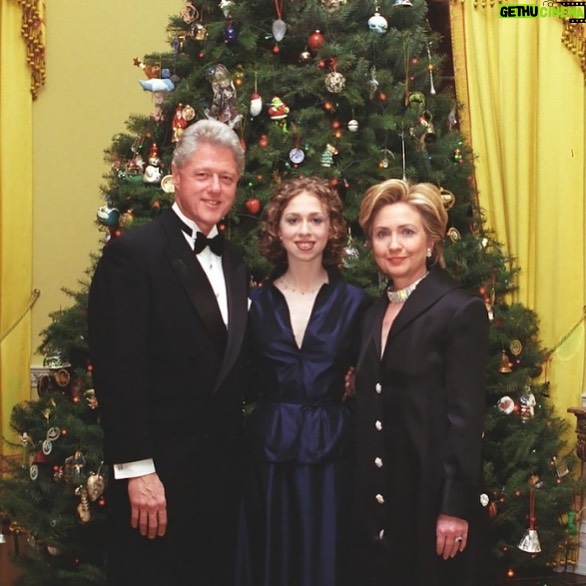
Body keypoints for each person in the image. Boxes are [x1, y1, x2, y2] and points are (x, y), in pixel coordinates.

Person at [88, 119, 249, 586]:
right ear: (176, 176)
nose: (215, 188)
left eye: (227, 178)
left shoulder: (235, 262)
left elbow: (233, 361)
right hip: (157, 480)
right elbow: (118, 374)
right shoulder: (133, 254)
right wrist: (138, 472)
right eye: (203, 175)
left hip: (219, 477)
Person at [353, 179, 490, 586]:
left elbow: (465, 420)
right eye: (382, 234)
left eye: (406, 232)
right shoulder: (372, 313)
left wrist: (454, 507)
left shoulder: (459, 308)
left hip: (431, 499)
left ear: (431, 241)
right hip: (382, 500)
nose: (394, 244)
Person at [236, 176, 371, 586]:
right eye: (293, 220)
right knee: (269, 558)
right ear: (277, 228)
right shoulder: (253, 304)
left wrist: (358, 381)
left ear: (332, 228)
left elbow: (377, 371)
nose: (305, 231)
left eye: (316, 219)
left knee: (331, 556)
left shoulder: (357, 303)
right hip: (268, 455)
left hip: (334, 453)